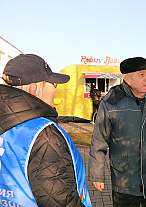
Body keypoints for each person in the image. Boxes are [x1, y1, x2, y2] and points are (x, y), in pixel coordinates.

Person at [0, 54, 91, 207]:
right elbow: (61, 201)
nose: (56, 90)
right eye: (53, 84)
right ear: (34, 88)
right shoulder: (44, 135)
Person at [88, 57, 146, 207]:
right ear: (127, 79)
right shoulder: (111, 103)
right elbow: (99, 141)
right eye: (141, 75)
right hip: (124, 181)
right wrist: (97, 174)